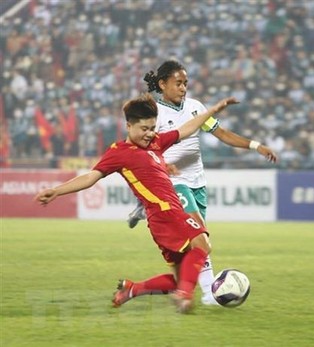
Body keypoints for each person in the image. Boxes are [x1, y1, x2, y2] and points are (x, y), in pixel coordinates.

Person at [34, 93, 239, 314]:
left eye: (152, 127)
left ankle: (133, 289)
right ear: (128, 126)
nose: (149, 133)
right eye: (144, 129)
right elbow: (91, 177)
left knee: (181, 279)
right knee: (202, 244)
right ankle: (184, 298)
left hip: (161, 219)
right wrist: (57, 190)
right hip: (165, 213)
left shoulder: (157, 142)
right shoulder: (119, 152)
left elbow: (187, 128)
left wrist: (213, 110)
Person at [126, 60, 278, 305]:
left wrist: (255, 145)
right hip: (174, 182)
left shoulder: (196, 108)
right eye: (178, 83)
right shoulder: (155, 113)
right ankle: (209, 293)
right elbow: (142, 148)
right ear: (163, 84)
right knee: (199, 233)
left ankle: (157, 283)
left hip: (197, 181)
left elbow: (222, 134)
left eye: (186, 83)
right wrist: (161, 166)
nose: (183, 88)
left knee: (196, 243)